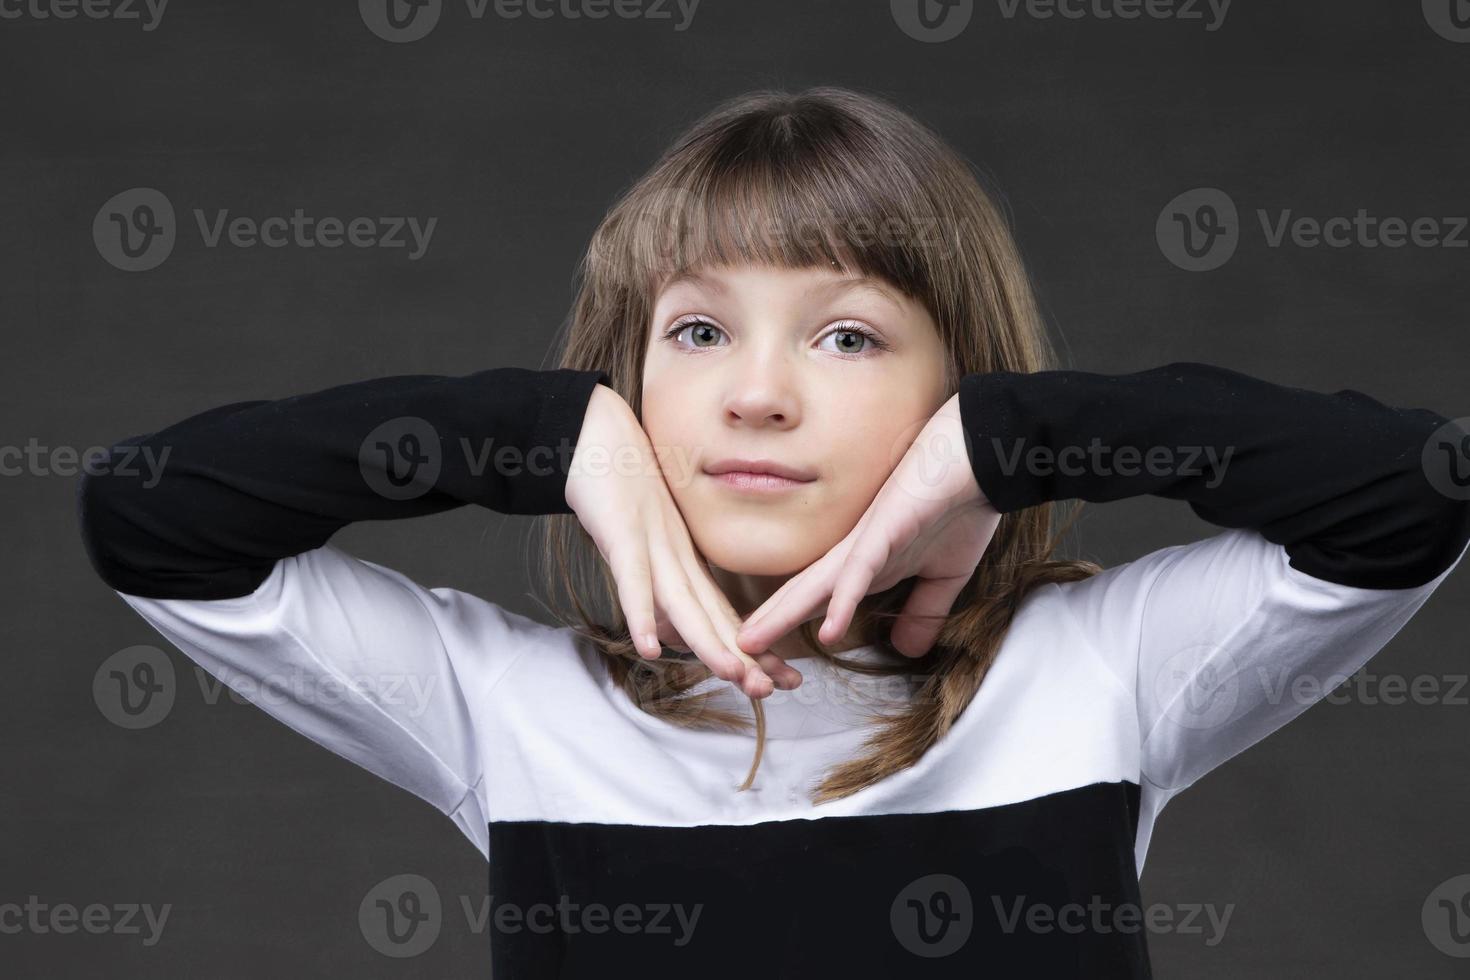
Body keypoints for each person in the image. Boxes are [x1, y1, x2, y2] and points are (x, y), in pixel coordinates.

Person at [76, 87, 1470, 977]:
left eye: (847, 335)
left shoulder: (1096, 668)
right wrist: (545, 433)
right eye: (694, 331)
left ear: (951, 390)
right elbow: (158, 510)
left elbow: (1407, 486)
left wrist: (1015, 439)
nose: (754, 392)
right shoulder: (503, 706)